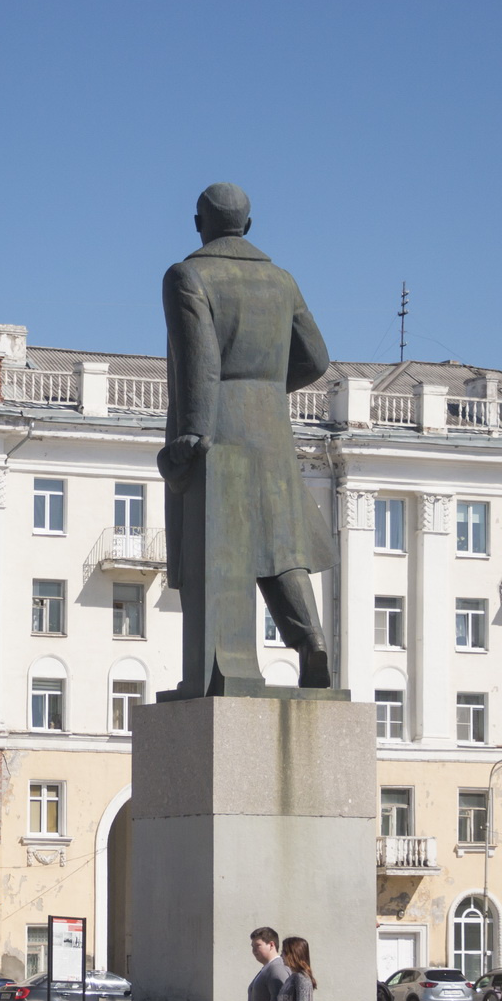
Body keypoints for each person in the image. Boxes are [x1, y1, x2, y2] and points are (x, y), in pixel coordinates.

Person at [158, 183, 339, 698]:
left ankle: (224, 666)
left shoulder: (187, 275)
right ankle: (310, 641)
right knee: (281, 546)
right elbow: (317, 358)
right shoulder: (281, 280)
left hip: (218, 427)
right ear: (249, 226)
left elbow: (200, 359)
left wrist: (194, 431)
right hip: (271, 427)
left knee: (218, 548)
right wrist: (265, 386)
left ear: (199, 224)